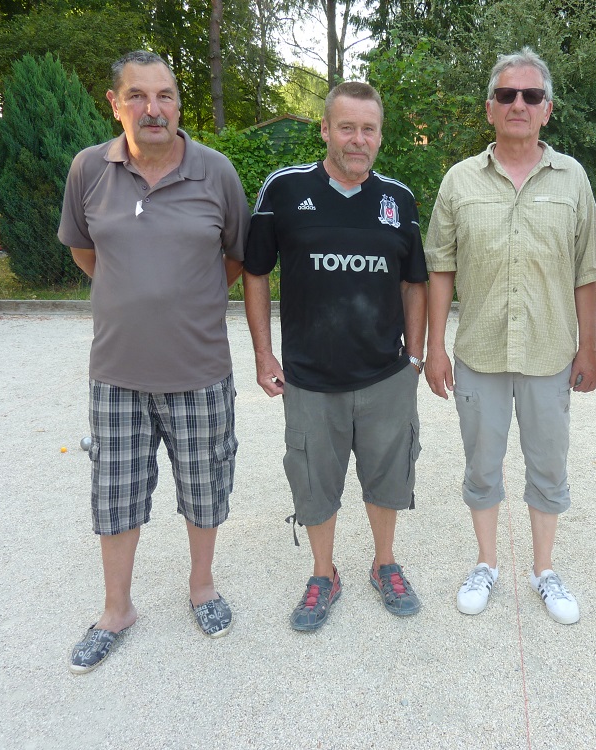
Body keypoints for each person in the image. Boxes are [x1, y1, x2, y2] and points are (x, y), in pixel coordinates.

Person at [58, 50, 249, 672]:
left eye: (164, 95)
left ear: (177, 103)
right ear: (115, 104)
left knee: (204, 487)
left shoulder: (215, 173)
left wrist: (179, 300)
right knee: (114, 497)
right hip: (116, 373)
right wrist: (136, 291)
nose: (153, 108)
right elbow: (86, 252)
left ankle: (202, 587)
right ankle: (117, 609)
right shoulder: (89, 170)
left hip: (198, 370)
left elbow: (234, 261)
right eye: (137, 96)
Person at [424, 49, 596, 625]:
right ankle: (486, 564)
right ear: (490, 108)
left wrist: (590, 346)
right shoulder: (459, 181)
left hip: (551, 352)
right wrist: (434, 346)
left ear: (547, 109)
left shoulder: (572, 178)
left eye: (531, 96)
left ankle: (544, 570)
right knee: (482, 465)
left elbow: (587, 268)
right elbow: (440, 268)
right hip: (478, 351)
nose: (519, 104)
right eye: (507, 95)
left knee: (548, 465)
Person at [243, 81, 428, 631]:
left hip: (383, 375)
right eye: (345, 127)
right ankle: (324, 573)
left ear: (380, 136)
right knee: (313, 482)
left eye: (368, 129)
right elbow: (255, 272)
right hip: (308, 377)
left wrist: (413, 359)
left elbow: (415, 282)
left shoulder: (400, 200)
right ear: (324, 129)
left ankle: (384, 562)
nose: (357, 140)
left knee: (389, 476)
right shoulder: (284, 189)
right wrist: (262, 354)